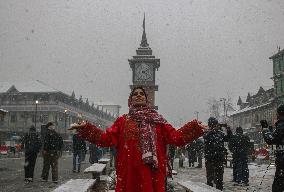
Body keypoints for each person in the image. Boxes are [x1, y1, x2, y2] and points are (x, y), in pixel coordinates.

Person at [69, 86, 205, 192]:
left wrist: (195, 127)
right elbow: (106, 139)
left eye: (142, 94)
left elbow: (177, 138)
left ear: (146, 99)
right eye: (135, 94)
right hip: (130, 175)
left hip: (152, 175)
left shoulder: (158, 121)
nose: (139, 95)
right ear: (131, 100)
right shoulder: (123, 121)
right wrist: (85, 128)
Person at [203, 117, 232, 191]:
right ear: (211, 125)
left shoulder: (220, 133)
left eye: (216, 124)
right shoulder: (207, 133)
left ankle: (219, 190)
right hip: (210, 159)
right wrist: (212, 131)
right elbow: (206, 138)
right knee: (210, 179)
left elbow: (229, 138)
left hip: (219, 159)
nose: (216, 126)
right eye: (214, 125)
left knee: (219, 179)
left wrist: (228, 129)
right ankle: (209, 190)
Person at [262, 104, 284, 192]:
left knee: (278, 186)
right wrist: (272, 131)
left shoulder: (282, 125)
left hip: (282, 160)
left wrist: (265, 129)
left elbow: (270, 140)